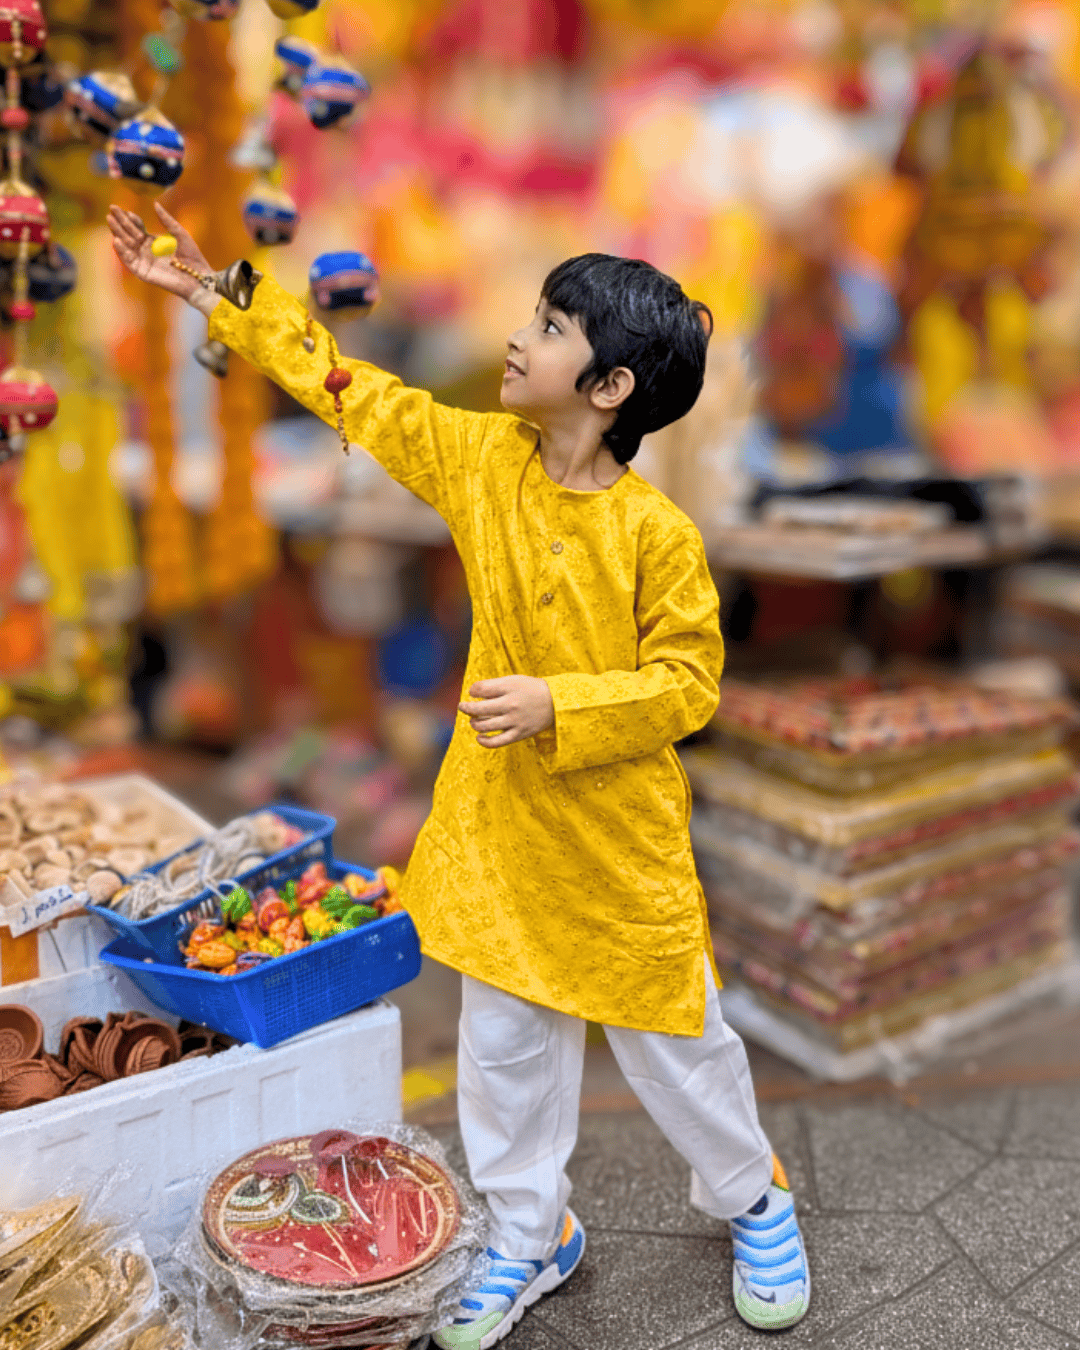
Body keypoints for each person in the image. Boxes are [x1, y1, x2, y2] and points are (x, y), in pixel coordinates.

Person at [108, 201, 811, 1346]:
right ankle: (533, 1234)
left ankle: (755, 1200)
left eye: (552, 325)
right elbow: (357, 395)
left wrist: (559, 704)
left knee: (680, 1053)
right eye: (533, 314)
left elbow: (690, 686)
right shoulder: (483, 461)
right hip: (499, 836)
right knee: (502, 1057)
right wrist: (223, 302)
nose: (520, 337)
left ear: (610, 388)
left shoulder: (659, 536)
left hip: (620, 847)